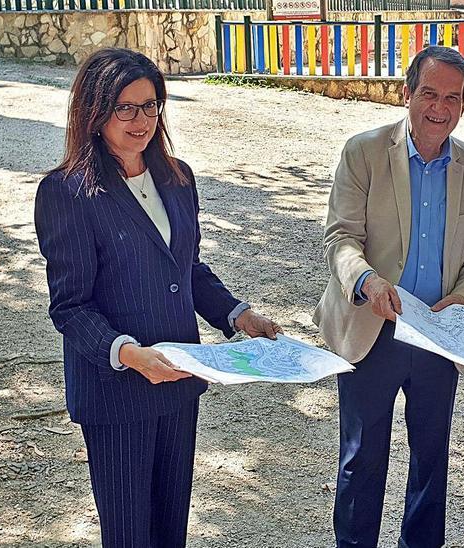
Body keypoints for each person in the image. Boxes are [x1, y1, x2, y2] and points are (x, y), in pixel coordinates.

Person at [34, 48, 281, 548]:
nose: (140, 120)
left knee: (171, 530)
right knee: (128, 535)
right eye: (124, 108)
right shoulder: (66, 191)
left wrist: (238, 315)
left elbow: (186, 269)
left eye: (150, 106)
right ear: (94, 111)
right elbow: (70, 306)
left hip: (179, 382)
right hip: (117, 392)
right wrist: (129, 355)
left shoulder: (177, 177)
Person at [314, 46, 464, 548]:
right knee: (361, 458)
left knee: (431, 459)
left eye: (453, 98)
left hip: (438, 333)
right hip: (370, 327)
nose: (439, 108)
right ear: (406, 93)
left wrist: (462, 300)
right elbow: (341, 238)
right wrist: (368, 281)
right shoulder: (364, 151)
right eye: (429, 93)